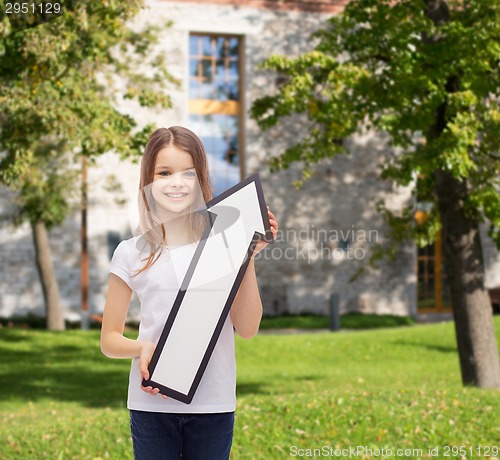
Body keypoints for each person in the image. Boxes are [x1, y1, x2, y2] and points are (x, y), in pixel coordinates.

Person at [100, 126, 278, 460]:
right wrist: (144, 348)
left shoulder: (221, 245)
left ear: (200, 179)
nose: (177, 183)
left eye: (188, 173)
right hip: (151, 405)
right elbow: (109, 339)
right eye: (164, 173)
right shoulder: (131, 252)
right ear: (148, 180)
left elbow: (248, 328)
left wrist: (247, 250)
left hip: (213, 404)